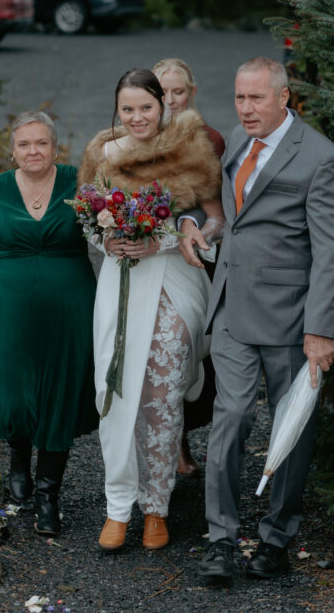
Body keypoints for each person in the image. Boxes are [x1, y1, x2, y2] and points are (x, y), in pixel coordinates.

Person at [180, 57, 334, 584]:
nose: (246, 109)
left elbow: (331, 250)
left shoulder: (320, 158)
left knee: (291, 427)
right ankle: (220, 541)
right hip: (230, 308)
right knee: (229, 421)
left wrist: (320, 330)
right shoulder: (236, 138)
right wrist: (194, 225)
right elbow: (230, 214)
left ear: (284, 98)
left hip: (290, 320)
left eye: (256, 99)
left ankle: (277, 538)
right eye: (239, 98)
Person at [78, 69, 222, 552]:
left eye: (146, 106)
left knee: (160, 397)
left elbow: (214, 217)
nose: (137, 117)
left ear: (162, 105)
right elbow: (87, 222)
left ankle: (156, 506)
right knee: (115, 393)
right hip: (120, 285)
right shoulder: (103, 154)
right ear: (117, 111)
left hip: (171, 286)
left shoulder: (189, 146)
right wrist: (107, 237)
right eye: (128, 108)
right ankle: (117, 506)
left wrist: (166, 236)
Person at [0, 111, 97, 537]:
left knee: (60, 396)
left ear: (55, 147)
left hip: (71, 309)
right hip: (12, 308)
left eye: (41, 143)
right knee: (15, 395)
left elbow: (107, 236)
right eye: (24, 144)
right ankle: (19, 457)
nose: (33, 151)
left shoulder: (79, 183)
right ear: (12, 150)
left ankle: (49, 495)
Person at [152, 57, 224, 477]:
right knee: (157, 350)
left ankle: (187, 433)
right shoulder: (138, 138)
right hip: (151, 257)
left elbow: (217, 207)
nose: (172, 100)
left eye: (180, 92)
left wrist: (196, 229)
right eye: (164, 93)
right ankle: (170, 445)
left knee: (195, 350)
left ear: (192, 93)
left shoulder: (209, 139)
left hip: (198, 258)